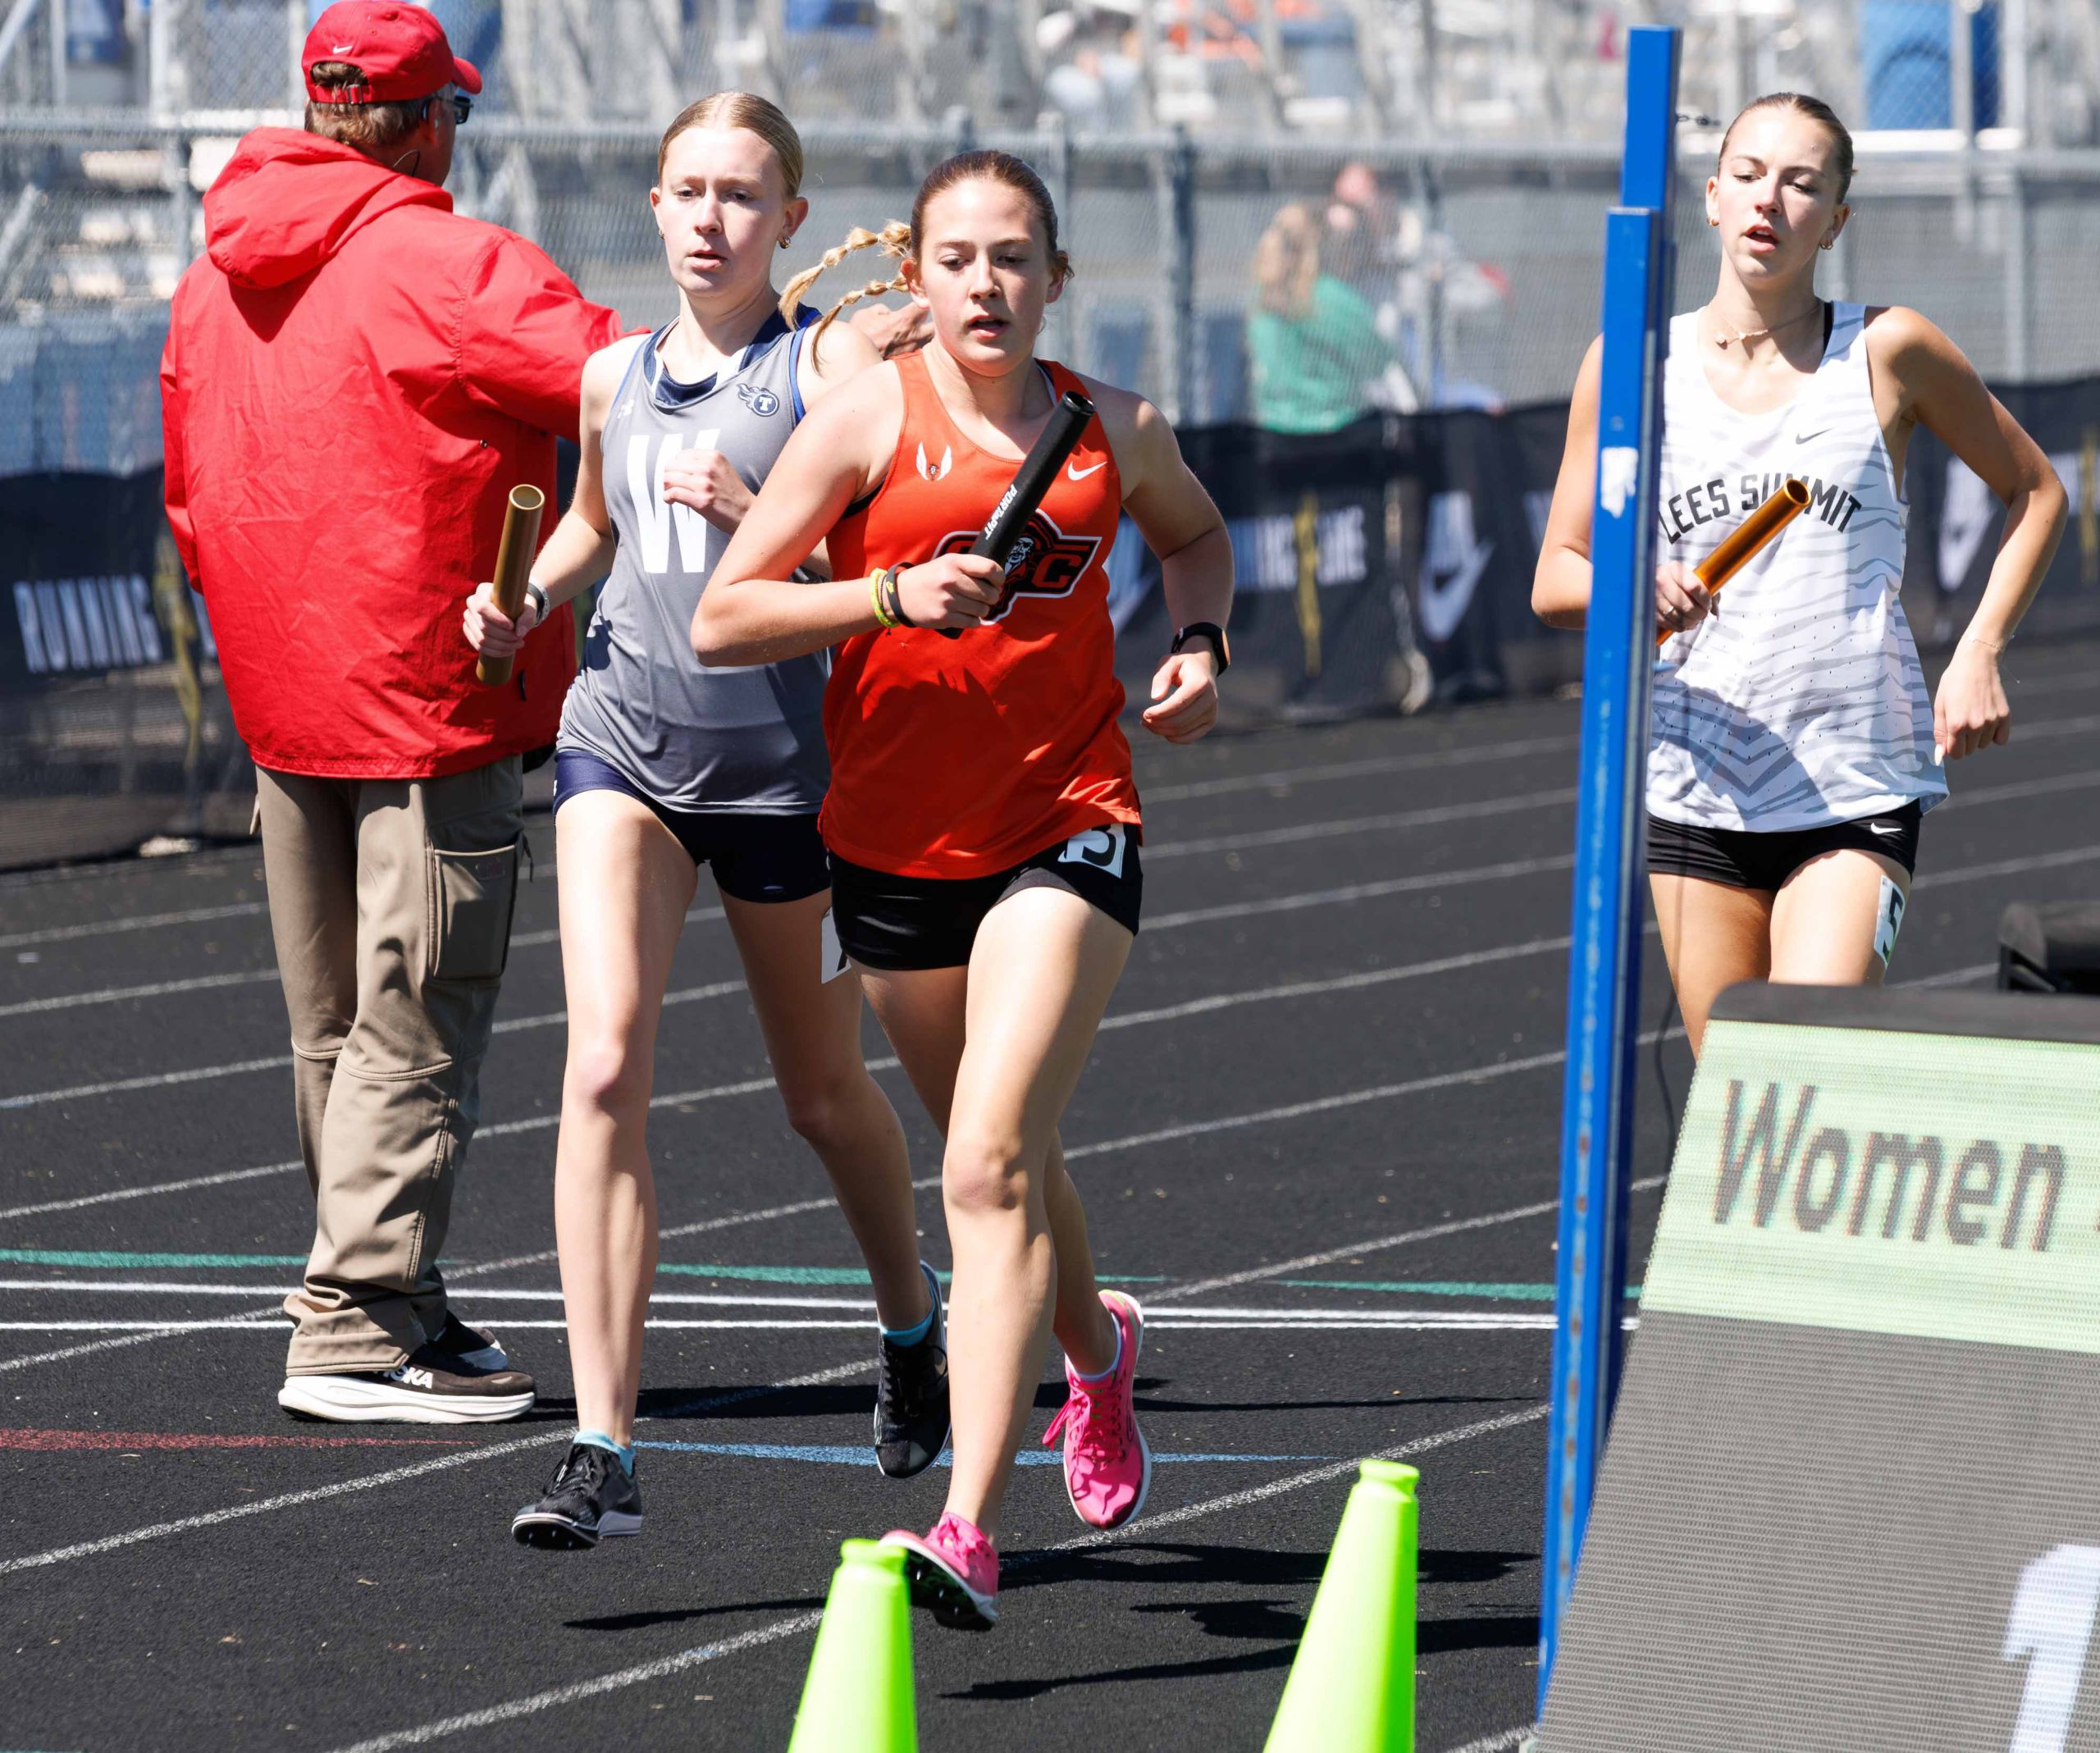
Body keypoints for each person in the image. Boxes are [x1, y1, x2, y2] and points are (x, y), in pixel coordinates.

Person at [694, 148, 1235, 1630]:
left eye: (1011, 258)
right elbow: (728, 613)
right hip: (889, 851)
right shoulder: (864, 419)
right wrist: (886, 594)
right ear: (915, 277)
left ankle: (968, 1527)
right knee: (1008, 1154)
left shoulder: (1116, 428)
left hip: (1068, 822)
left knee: (986, 1164)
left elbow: (1197, 539)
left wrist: (1200, 648)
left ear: (1055, 277)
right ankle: (1098, 1351)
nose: (985, 284)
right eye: (956, 259)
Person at [462, 94, 949, 1548]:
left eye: (741, 195)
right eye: (687, 191)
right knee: (603, 1063)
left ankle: (909, 1316)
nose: (709, 219)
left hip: (789, 776)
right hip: (622, 744)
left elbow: (896, 538)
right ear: (655, 204)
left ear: (790, 219)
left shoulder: (829, 362)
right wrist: (519, 600)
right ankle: (603, 1444)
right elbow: (599, 525)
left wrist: (760, 510)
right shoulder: (612, 374)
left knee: (822, 1095)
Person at [158, 0, 625, 1422]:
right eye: (454, 114)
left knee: (337, 1028)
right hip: (428, 692)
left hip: (286, 696)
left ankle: (389, 1291)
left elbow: (186, 497)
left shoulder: (211, 272)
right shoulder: (450, 260)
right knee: (419, 1012)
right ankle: (358, 1321)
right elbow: (631, 383)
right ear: (426, 125)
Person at [1532, 92, 2067, 1055]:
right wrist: (1634, 585)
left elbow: (2037, 492)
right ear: (1710, 197)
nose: (1767, 200)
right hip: (1695, 788)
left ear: (1836, 219)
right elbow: (1556, 578)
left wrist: (1978, 649)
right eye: (1747, 175)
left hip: (1851, 784)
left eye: (1800, 183)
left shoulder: (1888, 349)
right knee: (1739, 1106)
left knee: (1804, 1063)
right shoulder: (1629, 366)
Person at [1246, 200, 1396, 434]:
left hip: (1274, 436)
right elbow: (1378, 360)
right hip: (1337, 435)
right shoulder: (1332, 297)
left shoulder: (1260, 299)